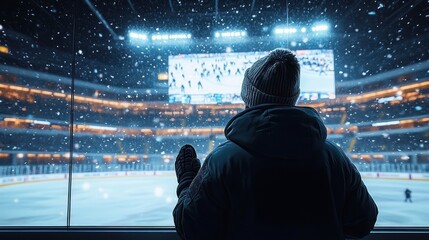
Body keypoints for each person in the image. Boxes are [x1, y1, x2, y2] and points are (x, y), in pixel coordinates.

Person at [173, 48, 378, 240]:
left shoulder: (222, 160)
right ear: (294, 97)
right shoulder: (333, 157)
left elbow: (193, 229)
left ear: (248, 95)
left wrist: (187, 181)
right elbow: (362, 222)